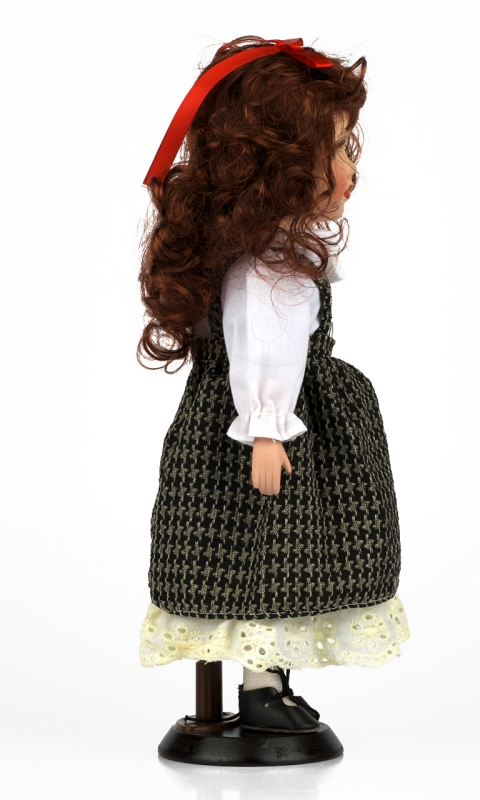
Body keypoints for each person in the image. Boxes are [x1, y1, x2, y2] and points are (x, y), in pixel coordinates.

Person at [136, 36, 409, 734]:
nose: (351, 170)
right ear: (279, 170)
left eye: (348, 148)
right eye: (335, 151)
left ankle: (270, 685)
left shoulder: (268, 253)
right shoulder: (270, 268)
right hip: (271, 430)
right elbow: (265, 348)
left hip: (269, 419)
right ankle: (262, 690)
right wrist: (266, 428)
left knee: (267, 563)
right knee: (269, 559)